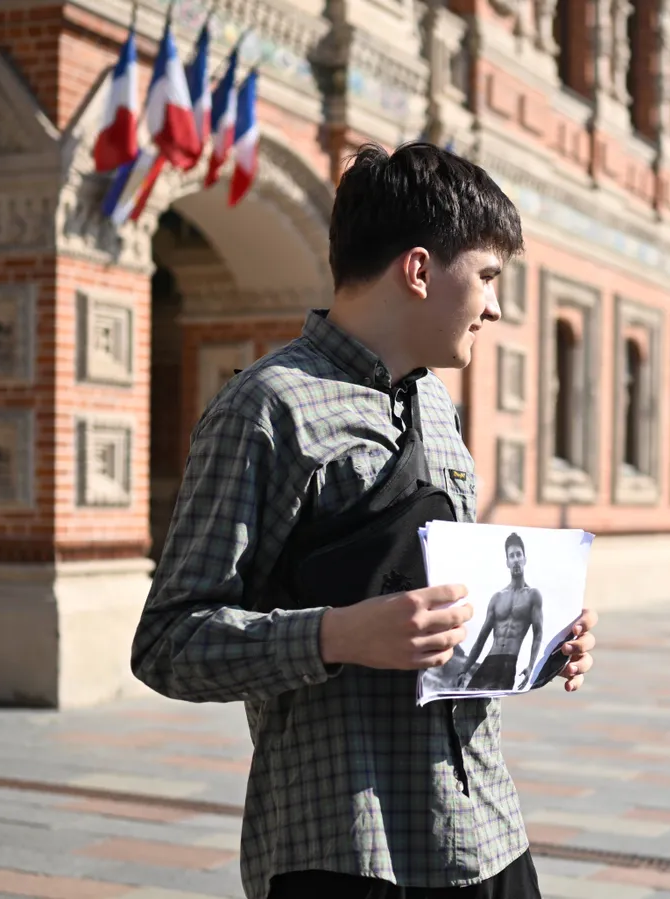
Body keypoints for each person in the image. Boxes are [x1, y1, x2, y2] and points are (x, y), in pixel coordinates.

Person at [131, 142, 598, 899]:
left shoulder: (439, 409)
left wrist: (541, 641)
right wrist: (340, 634)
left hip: (483, 829)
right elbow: (168, 643)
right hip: (347, 844)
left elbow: (449, 624)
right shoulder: (267, 408)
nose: (497, 304)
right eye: (486, 276)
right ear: (418, 270)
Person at [457, 532, 545, 691]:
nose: (516, 559)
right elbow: (481, 638)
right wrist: (464, 669)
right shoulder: (497, 598)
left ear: (524, 559)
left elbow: (538, 634)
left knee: (487, 710)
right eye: (512, 556)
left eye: (519, 554)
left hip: (508, 663)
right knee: (466, 701)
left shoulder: (533, 595)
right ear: (507, 562)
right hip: (489, 660)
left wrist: (531, 666)